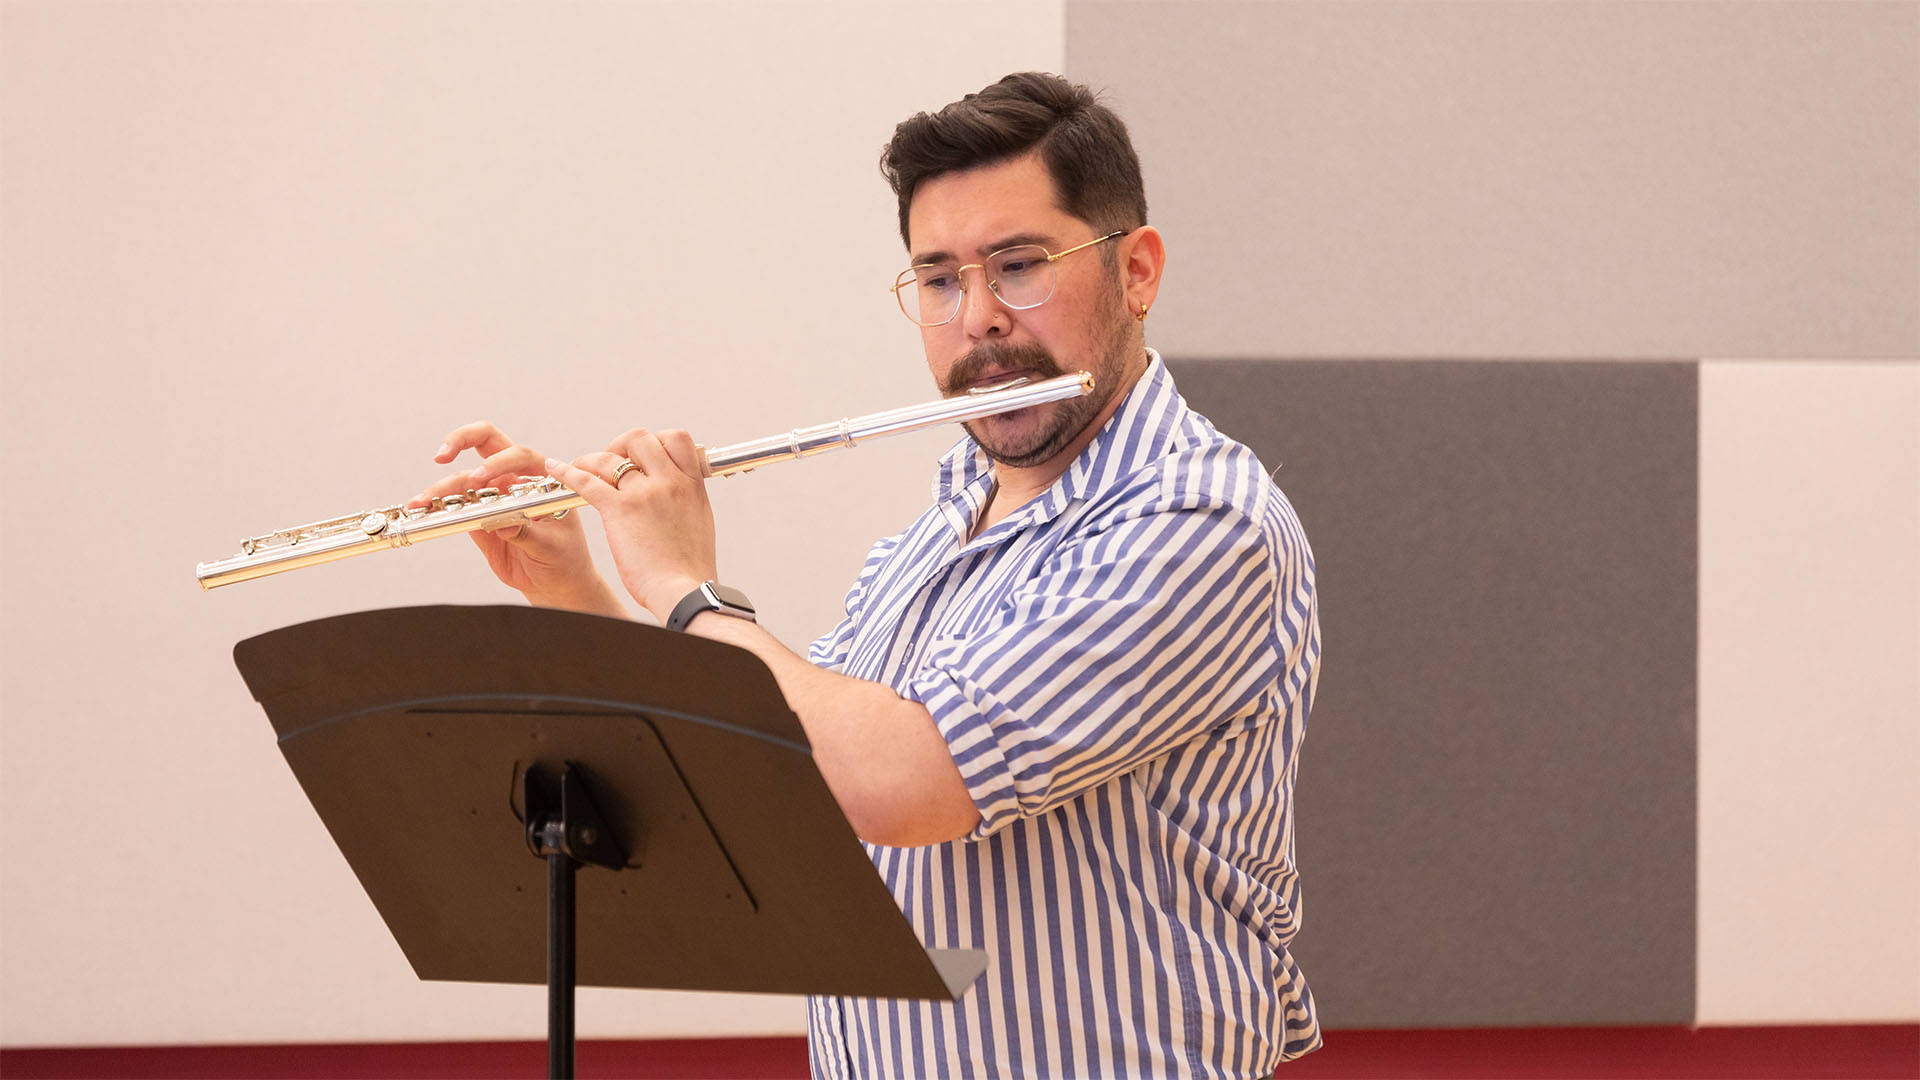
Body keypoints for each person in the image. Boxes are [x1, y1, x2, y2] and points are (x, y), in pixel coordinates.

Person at [414, 72, 1321, 1078]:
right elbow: (782, 784)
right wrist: (577, 591)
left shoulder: (1200, 520)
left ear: (1137, 271)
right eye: (939, 280)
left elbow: (899, 784)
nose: (978, 318)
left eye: (1020, 266)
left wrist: (684, 586)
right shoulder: (935, 534)